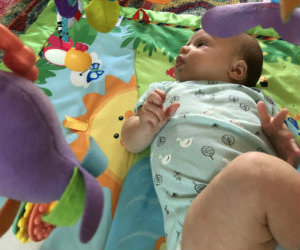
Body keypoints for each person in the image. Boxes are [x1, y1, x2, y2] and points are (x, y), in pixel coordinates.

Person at [121, 29, 300, 250]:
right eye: (187, 42)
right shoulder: (164, 92)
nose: (184, 47)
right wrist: (144, 125)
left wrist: (283, 145)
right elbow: (129, 141)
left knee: (261, 171)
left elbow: (283, 173)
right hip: (198, 228)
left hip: (259, 220)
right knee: (258, 170)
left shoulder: (260, 101)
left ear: (237, 69)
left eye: (201, 44)